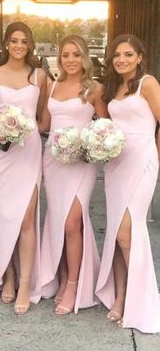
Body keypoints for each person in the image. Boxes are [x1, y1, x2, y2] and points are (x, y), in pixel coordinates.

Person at [0, 22, 47, 314]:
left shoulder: (40, 76)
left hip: (28, 153)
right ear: (6, 43)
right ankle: (7, 276)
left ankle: (27, 283)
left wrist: (31, 134)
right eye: (14, 40)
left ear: (30, 45)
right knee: (2, 216)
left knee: (27, 219)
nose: (19, 45)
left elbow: (45, 117)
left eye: (24, 41)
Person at [38, 35, 108, 315]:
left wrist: (90, 147)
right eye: (65, 55)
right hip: (53, 160)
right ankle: (65, 272)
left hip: (82, 161)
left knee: (71, 223)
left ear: (85, 58)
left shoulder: (95, 89)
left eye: (76, 54)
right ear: (59, 58)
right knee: (58, 220)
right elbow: (43, 123)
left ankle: (73, 284)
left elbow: (104, 126)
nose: (70, 60)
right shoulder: (51, 85)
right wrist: (10, 126)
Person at [95, 34, 160, 333]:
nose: (122, 59)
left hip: (143, 161)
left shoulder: (148, 83)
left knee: (126, 233)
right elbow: (105, 122)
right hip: (116, 164)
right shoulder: (112, 87)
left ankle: (138, 300)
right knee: (117, 236)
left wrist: (156, 158)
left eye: (128, 55)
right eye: (117, 55)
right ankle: (120, 297)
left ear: (140, 57)